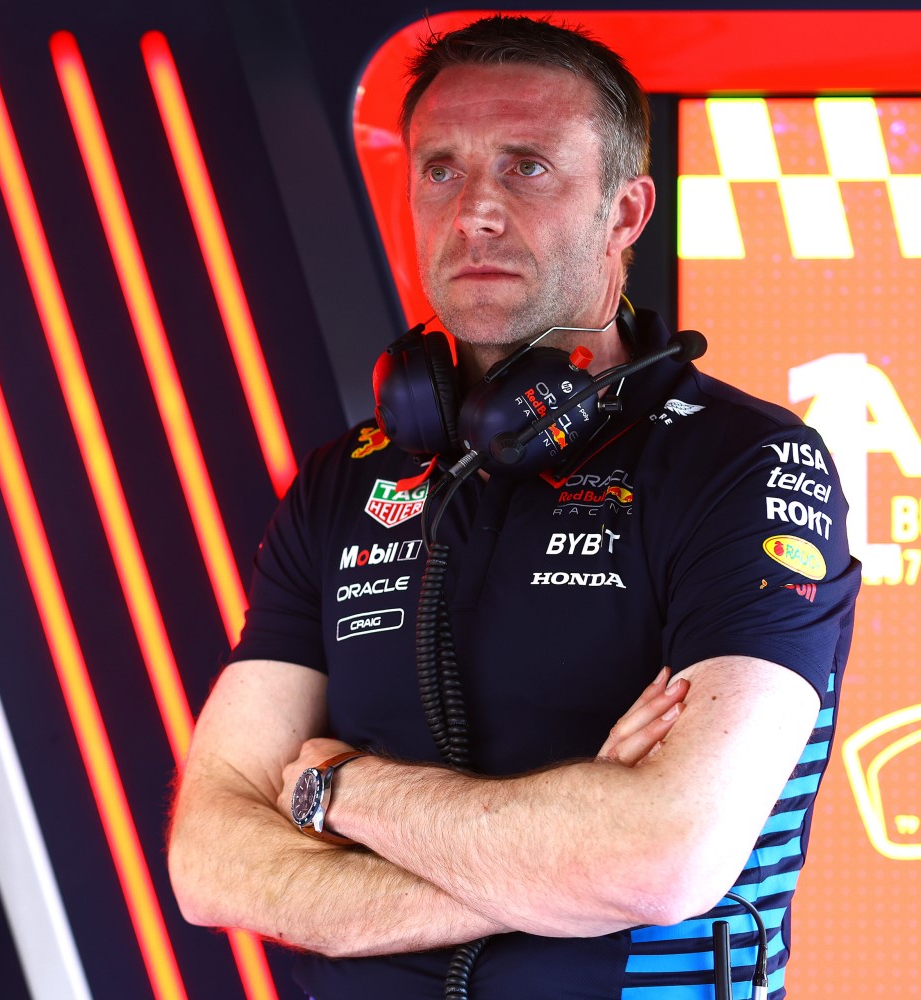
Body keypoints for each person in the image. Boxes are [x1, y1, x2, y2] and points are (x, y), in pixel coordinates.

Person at [167, 14, 860, 1000]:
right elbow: (209, 859)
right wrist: (558, 870)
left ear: (626, 212)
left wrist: (338, 792)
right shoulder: (345, 480)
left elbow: (663, 861)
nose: (477, 211)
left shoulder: (742, 464)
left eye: (528, 167)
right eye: (442, 169)